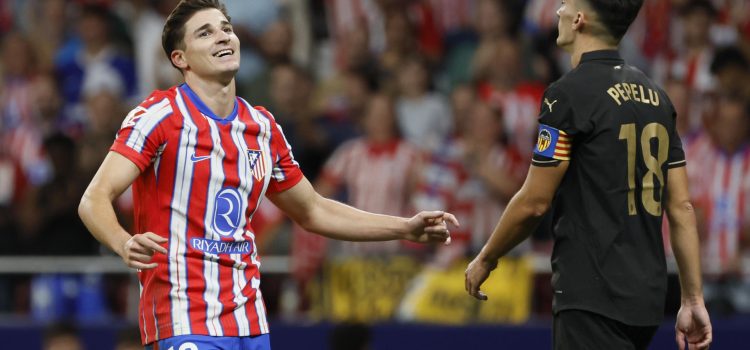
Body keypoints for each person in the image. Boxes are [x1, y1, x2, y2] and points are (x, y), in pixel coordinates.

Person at [77, 1, 458, 349]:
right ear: (181, 59)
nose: (223, 35)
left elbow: (313, 211)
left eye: (226, 27)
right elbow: (94, 199)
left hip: (249, 320)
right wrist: (122, 242)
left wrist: (404, 227)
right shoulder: (159, 115)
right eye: (205, 32)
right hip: (183, 315)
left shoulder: (261, 127)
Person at [463, 1, 712, 349]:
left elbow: (535, 202)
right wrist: (693, 299)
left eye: (565, 3)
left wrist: (487, 257)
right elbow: (681, 207)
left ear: (579, 19)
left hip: (591, 296)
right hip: (647, 299)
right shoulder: (658, 98)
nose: (558, 10)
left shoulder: (567, 95)